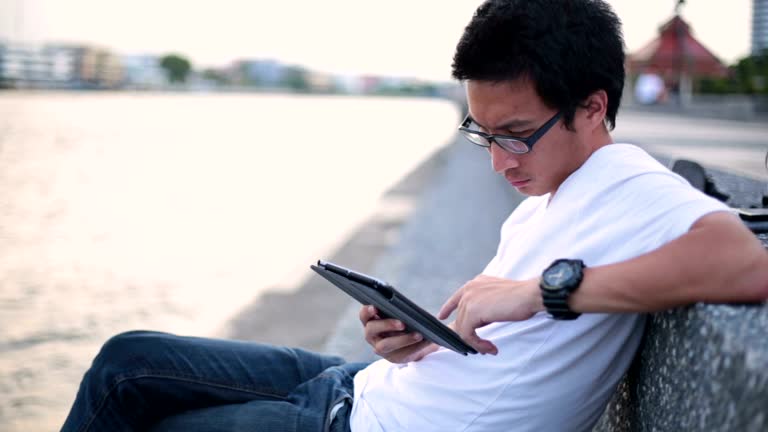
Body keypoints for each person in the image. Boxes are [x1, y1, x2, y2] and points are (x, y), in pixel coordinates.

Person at [61, 1, 768, 431]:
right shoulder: (552, 194)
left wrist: (541, 290)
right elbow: (493, 343)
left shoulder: (630, 182)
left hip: (363, 424)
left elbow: (745, 264)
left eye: (516, 134)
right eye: (483, 135)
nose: (498, 162)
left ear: (591, 107)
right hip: (362, 388)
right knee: (127, 359)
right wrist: (416, 337)